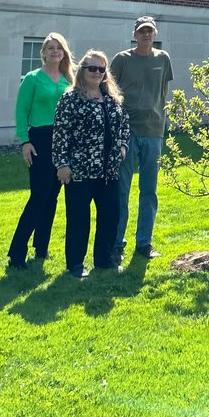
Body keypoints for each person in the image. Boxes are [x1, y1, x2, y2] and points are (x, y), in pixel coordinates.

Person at [53, 50, 130, 278]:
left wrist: (123, 146)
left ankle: (104, 260)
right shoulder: (71, 99)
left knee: (110, 215)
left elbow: (125, 124)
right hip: (79, 170)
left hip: (108, 171)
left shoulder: (111, 98)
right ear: (82, 71)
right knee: (78, 219)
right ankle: (75, 264)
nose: (97, 73)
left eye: (101, 69)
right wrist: (62, 164)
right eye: (92, 69)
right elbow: (60, 134)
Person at [110, 14, 173, 262]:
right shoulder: (123, 59)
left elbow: (162, 92)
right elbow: (111, 91)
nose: (146, 35)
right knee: (121, 190)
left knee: (149, 190)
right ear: (135, 34)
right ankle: (117, 243)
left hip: (153, 132)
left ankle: (144, 243)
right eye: (141, 31)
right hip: (127, 133)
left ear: (155, 34)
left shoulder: (163, 58)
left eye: (150, 31)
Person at [7, 32, 73, 269]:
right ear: (43, 53)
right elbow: (21, 111)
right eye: (50, 48)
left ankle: (41, 247)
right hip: (39, 139)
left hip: (62, 140)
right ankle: (16, 251)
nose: (55, 51)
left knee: (52, 197)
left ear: (64, 53)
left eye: (59, 48)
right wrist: (25, 141)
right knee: (38, 197)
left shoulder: (68, 79)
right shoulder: (33, 79)